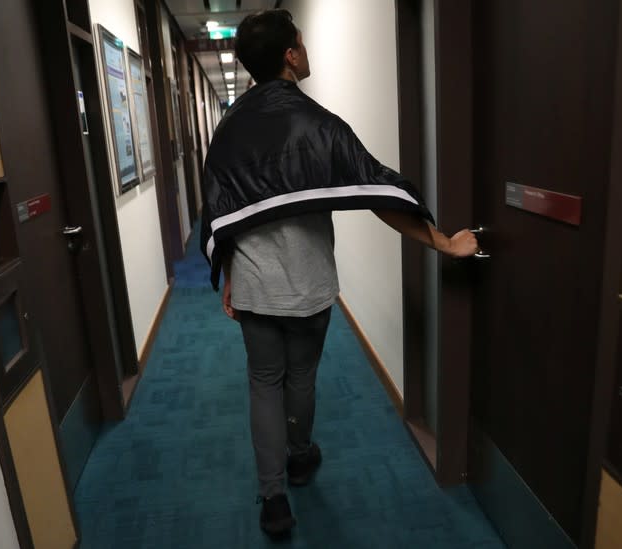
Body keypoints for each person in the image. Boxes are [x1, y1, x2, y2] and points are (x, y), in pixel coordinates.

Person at [200, 9, 478, 536]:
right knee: (300, 377)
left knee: (263, 382)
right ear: (289, 55)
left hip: (256, 284)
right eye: (300, 44)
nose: (306, 51)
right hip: (311, 284)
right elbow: (377, 190)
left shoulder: (229, 129)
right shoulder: (320, 124)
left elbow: (220, 210)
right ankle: (301, 457)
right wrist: (441, 240)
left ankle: (272, 499)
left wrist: (230, 270)